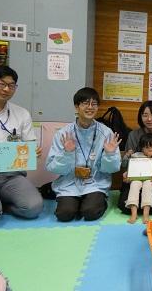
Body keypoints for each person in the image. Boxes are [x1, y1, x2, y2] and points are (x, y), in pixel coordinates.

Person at [0, 66, 43, 228]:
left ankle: (1, 205)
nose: (7, 89)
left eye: (11, 85)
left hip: (12, 176)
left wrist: (33, 152)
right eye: (1, 84)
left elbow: (29, 144)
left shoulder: (22, 113)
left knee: (33, 209)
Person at [46, 87, 121, 222]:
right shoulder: (64, 134)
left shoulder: (106, 132)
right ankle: (75, 202)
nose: (90, 107)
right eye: (85, 103)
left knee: (90, 212)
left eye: (94, 104)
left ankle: (98, 200)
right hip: (69, 183)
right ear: (77, 106)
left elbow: (112, 169)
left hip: (95, 183)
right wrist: (67, 153)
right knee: (64, 215)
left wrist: (109, 155)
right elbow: (52, 167)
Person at [118, 100, 152, 215]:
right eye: (145, 115)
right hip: (135, 180)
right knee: (124, 206)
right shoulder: (133, 135)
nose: (149, 119)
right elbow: (128, 161)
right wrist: (127, 173)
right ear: (140, 117)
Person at [123, 133, 152, 224]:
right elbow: (125, 165)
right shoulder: (136, 155)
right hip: (137, 178)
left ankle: (146, 214)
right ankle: (134, 213)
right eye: (147, 147)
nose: (150, 149)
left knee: (148, 187)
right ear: (141, 148)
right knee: (134, 186)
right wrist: (127, 156)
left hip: (150, 178)